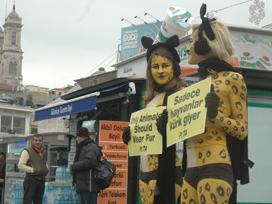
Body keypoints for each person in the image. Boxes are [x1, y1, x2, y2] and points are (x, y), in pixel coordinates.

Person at [178, 4, 253, 204]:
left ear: (206, 44)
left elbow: (242, 130)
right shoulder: (194, 87)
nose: (188, 48)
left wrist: (216, 116)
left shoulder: (233, 79)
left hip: (215, 166)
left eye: (193, 41)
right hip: (190, 169)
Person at [122, 35, 187, 204]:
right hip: (146, 173)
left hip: (166, 172)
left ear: (175, 68)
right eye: (155, 66)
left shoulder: (179, 93)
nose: (160, 71)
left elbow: (184, 131)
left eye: (165, 65)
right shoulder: (149, 98)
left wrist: (167, 128)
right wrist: (131, 136)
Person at [70, 127, 101, 204]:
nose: (76, 139)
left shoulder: (91, 146)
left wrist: (74, 166)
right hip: (84, 185)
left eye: (77, 137)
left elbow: (89, 162)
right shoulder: (83, 147)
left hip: (89, 186)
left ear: (82, 137)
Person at [18, 134, 48, 204]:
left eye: (40, 140)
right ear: (33, 141)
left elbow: (44, 162)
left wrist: (46, 168)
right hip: (31, 179)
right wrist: (33, 170)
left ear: (42, 141)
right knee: (27, 201)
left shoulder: (43, 151)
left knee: (38, 201)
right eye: (36, 140)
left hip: (41, 179)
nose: (38, 142)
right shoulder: (27, 151)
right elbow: (20, 165)